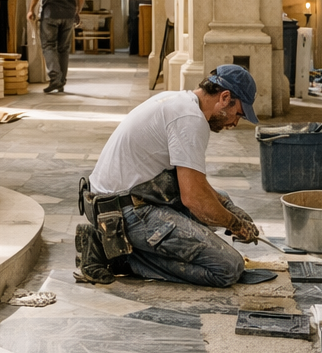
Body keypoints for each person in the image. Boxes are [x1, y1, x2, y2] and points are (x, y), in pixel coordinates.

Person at [75, 65, 263, 288]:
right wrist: (235, 224)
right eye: (238, 114)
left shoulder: (179, 100)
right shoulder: (190, 120)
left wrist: (228, 208)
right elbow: (194, 199)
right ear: (224, 98)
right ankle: (118, 255)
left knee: (221, 198)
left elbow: (195, 185)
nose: (235, 123)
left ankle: (118, 244)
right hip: (123, 213)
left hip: (116, 199)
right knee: (228, 268)